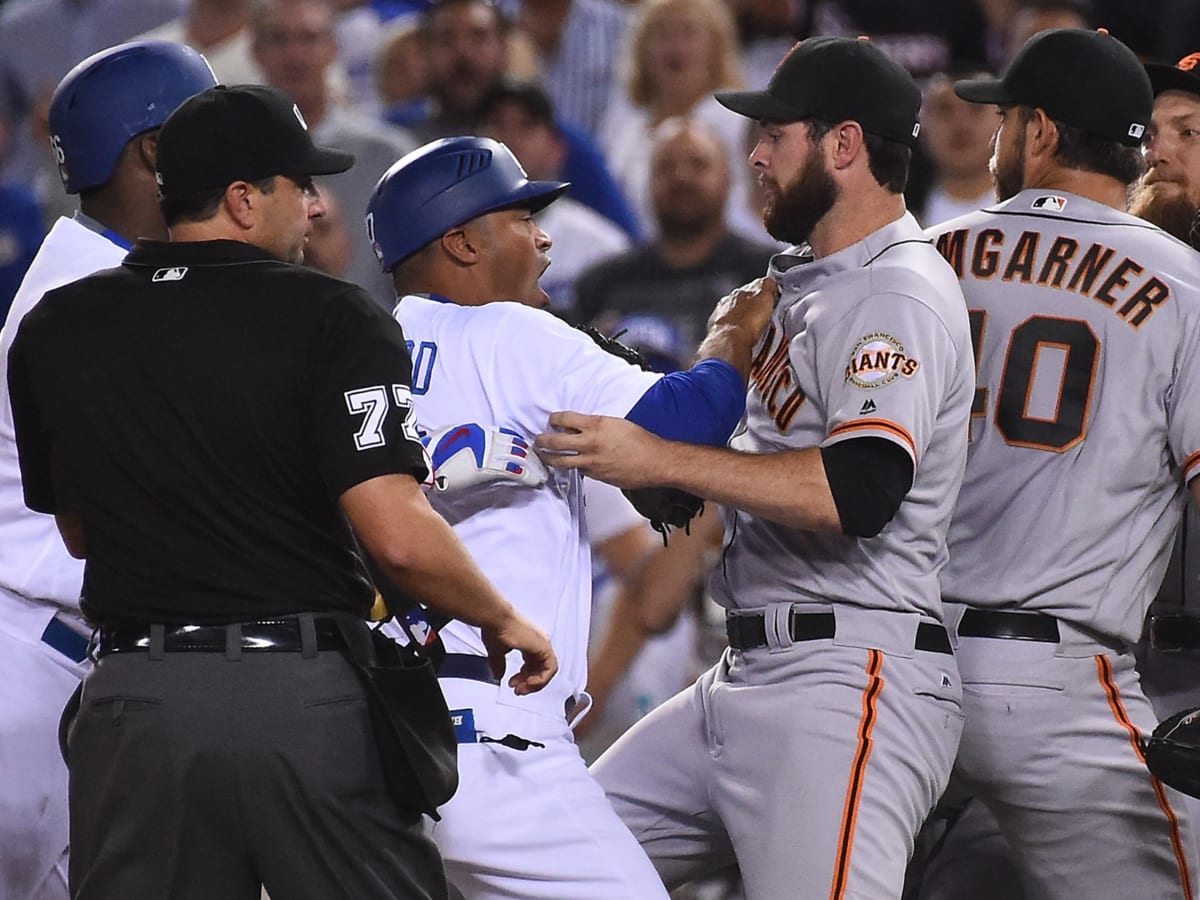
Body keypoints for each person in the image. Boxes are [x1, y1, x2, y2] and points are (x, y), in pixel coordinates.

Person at [6, 84, 557, 899]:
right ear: (240, 199)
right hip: (296, 702)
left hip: (133, 705)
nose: (317, 207)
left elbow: (83, 534)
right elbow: (396, 532)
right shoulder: (337, 316)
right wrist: (499, 615)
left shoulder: (56, 324)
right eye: (298, 186)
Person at [536, 35, 975, 899]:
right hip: (743, 670)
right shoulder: (809, 282)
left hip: (848, 678)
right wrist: (722, 362)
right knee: (553, 871)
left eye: (777, 134)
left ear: (843, 146)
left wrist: (666, 456)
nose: (757, 155)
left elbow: (861, 489)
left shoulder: (897, 288)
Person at [364, 134, 776, 898]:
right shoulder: (508, 334)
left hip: (379, 734)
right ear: (461, 241)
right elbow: (684, 422)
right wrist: (733, 334)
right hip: (497, 733)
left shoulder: (361, 348)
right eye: (521, 217)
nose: (545, 235)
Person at [921, 27, 1200, 898]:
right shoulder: (1184, 282)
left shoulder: (922, 257)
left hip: (896, 662)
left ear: (1038, 133)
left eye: (1004, 118)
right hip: (1061, 681)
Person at [0, 40, 217, 900]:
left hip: (63, 659)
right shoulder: (86, 301)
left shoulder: (118, 276)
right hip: (30, 660)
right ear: (154, 152)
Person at [251, 0, 418, 307]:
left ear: (334, 47)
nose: (294, 54)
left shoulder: (389, 155)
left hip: (370, 336)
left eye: (309, 38)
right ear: (255, 50)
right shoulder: (231, 152)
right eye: (279, 38)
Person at [574, 116, 776, 351]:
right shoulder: (601, 285)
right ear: (648, 183)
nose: (681, 177)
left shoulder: (766, 276)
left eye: (698, 164)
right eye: (666, 167)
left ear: (728, 178)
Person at [477, 78, 630, 313]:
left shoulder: (600, 244)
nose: (509, 138)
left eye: (526, 126)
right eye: (496, 124)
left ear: (556, 149)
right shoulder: (456, 239)